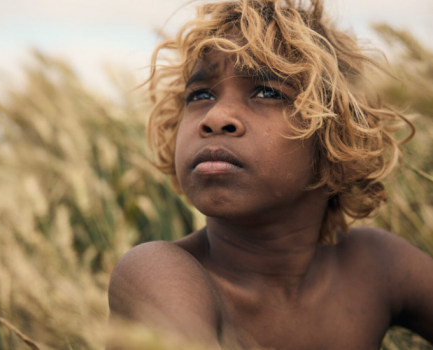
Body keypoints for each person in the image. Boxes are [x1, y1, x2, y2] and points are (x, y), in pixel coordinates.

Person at [107, 0, 433, 349]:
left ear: (337, 139)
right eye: (200, 94)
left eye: (267, 92)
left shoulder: (377, 266)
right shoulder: (157, 272)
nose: (216, 117)